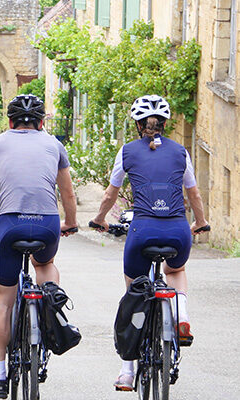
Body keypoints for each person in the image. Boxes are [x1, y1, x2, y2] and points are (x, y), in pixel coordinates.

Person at [0, 94, 78, 399]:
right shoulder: (55, 145)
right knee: (44, 264)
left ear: (10, 122)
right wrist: (71, 224)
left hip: (11, 225)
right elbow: (67, 193)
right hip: (47, 224)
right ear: (41, 123)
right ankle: (50, 302)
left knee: (3, 301)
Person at [89, 94, 209, 391]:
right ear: (165, 124)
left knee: (134, 292)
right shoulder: (181, 152)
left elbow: (110, 194)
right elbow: (193, 195)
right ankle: (180, 312)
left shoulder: (127, 152)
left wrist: (100, 219)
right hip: (178, 230)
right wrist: (200, 223)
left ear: (137, 125)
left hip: (142, 230)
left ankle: (127, 371)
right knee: (175, 271)